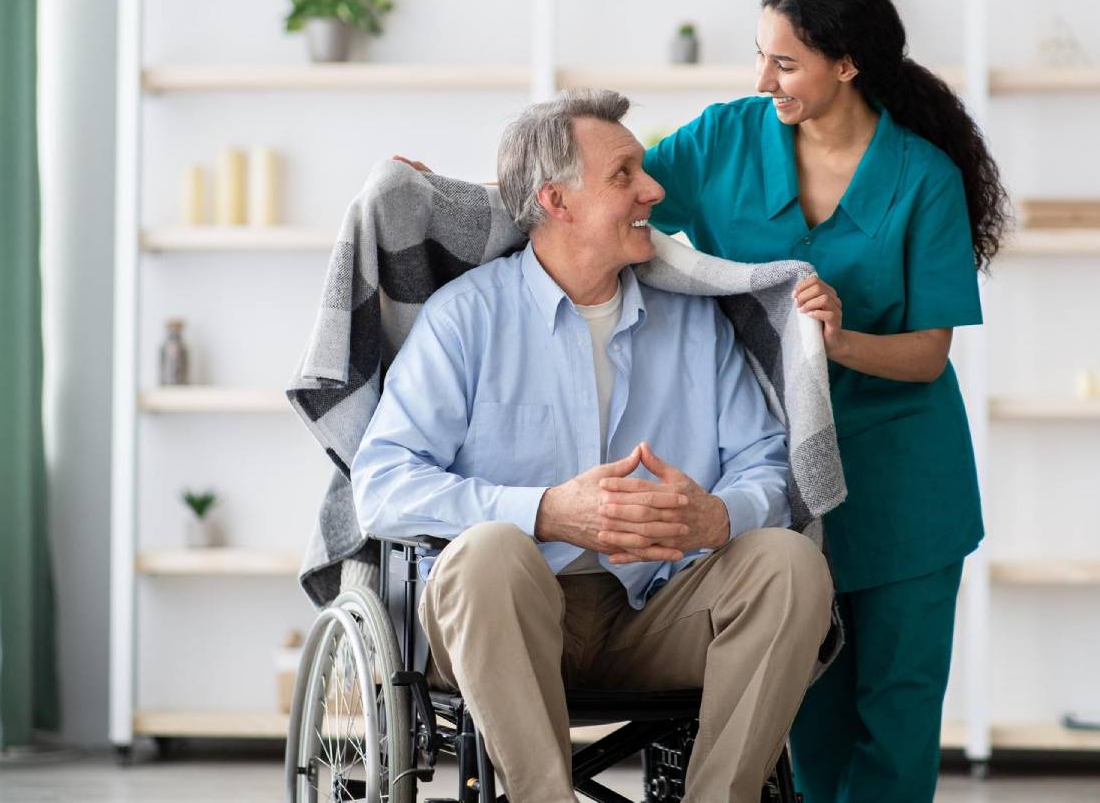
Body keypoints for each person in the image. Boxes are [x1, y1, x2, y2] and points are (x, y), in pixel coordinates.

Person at [352, 88, 835, 803]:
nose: (653, 190)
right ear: (556, 200)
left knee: (790, 563)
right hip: (506, 619)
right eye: (625, 175)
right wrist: (544, 511)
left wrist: (720, 516)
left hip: (657, 612)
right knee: (489, 552)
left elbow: (765, 460)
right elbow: (381, 486)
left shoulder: (694, 324)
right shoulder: (466, 319)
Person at [641, 0, 1010, 801]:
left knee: (897, 714)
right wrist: (458, 194)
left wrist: (832, 341)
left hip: (906, 481)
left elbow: (926, 354)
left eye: (785, 62)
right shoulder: (725, 138)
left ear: (847, 64)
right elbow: (612, 196)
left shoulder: (922, 177)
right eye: (761, 55)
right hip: (777, 474)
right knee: (809, 713)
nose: (763, 78)